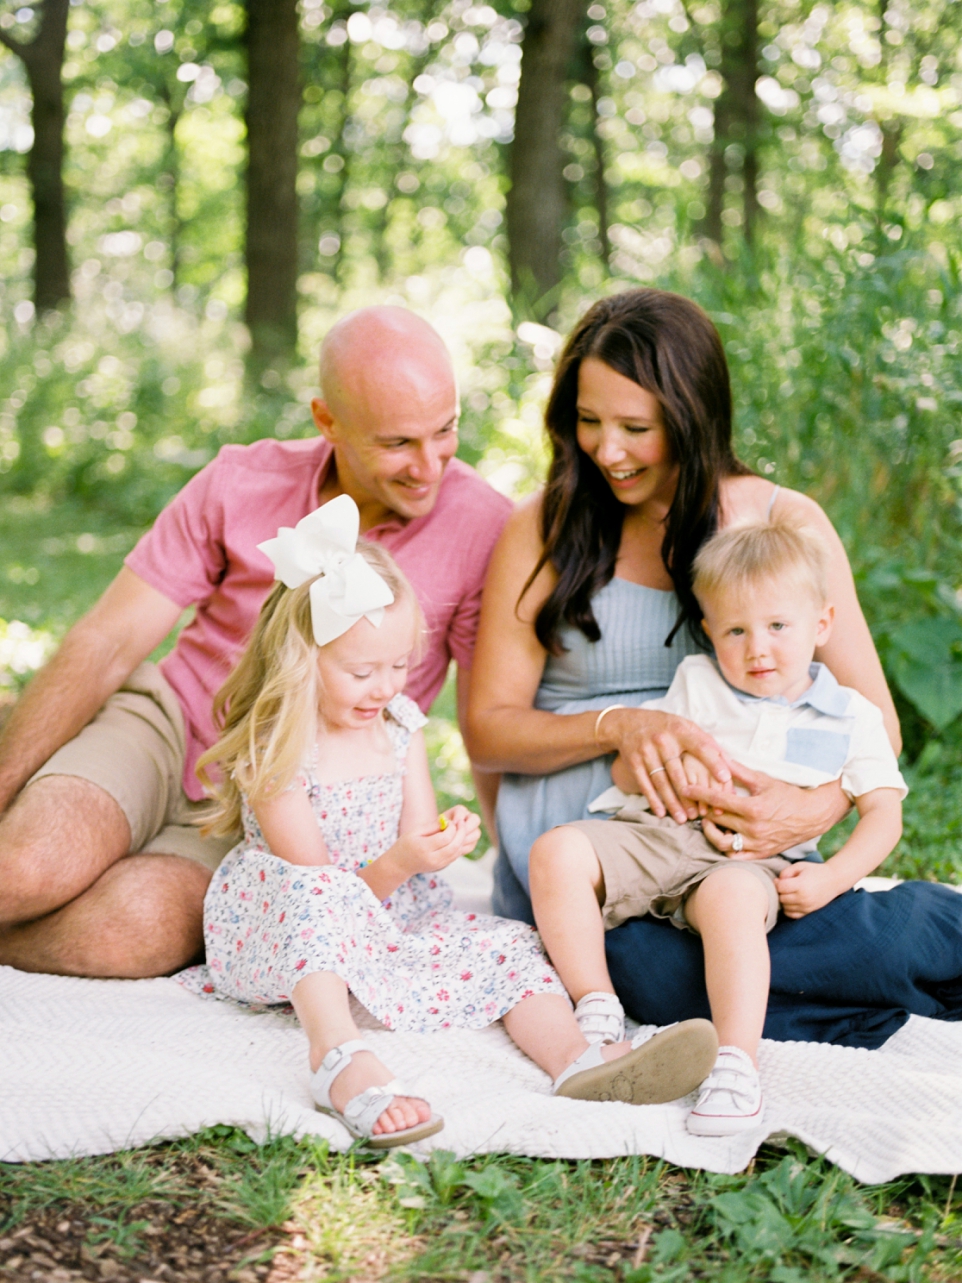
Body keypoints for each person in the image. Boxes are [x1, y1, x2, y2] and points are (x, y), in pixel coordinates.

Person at [467, 286, 961, 1049]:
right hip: (588, 861)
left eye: (636, 427)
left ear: (692, 418)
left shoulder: (778, 524)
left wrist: (816, 807)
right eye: (588, 422)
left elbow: (875, 720)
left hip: (727, 862)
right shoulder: (544, 525)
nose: (608, 450)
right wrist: (616, 727)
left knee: (725, 941)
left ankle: (903, 942)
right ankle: (893, 959)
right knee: (660, 977)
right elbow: (488, 731)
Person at [0, 307, 508, 980]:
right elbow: (107, 640)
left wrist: (513, 867)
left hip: (281, 807)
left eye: (445, 430)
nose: (430, 465)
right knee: (26, 867)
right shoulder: (241, 480)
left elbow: (484, 719)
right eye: (397, 444)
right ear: (327, 420)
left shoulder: (485, 525)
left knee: (131, 929)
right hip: (171, 725)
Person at [197, 497, 719, 1147]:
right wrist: (404, 861)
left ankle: (577, 1059)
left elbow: (414, 840)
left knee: (511, 946)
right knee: (317, 898)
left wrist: (438, 843)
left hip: (393, 916)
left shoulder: (399, 727)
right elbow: (320, 887)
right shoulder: (277, 749)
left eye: (398, 667)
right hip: (294, 931)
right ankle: (337, 1057)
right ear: (301, 660)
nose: (385, 687)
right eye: (362, 671)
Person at [529, 519, 906, 1135]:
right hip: (657, 831)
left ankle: (736, 1065)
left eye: (778, 626)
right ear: (709, 633)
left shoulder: (852, 716)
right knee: (557, 852)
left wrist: (834, 876)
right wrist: (658, 758)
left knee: (731, 898)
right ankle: (594, 1004)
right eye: (736, 630)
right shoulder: (697, 684)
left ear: (823, 624)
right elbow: (631, 773)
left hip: (750, 858)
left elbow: (884, 814)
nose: (757, 648)